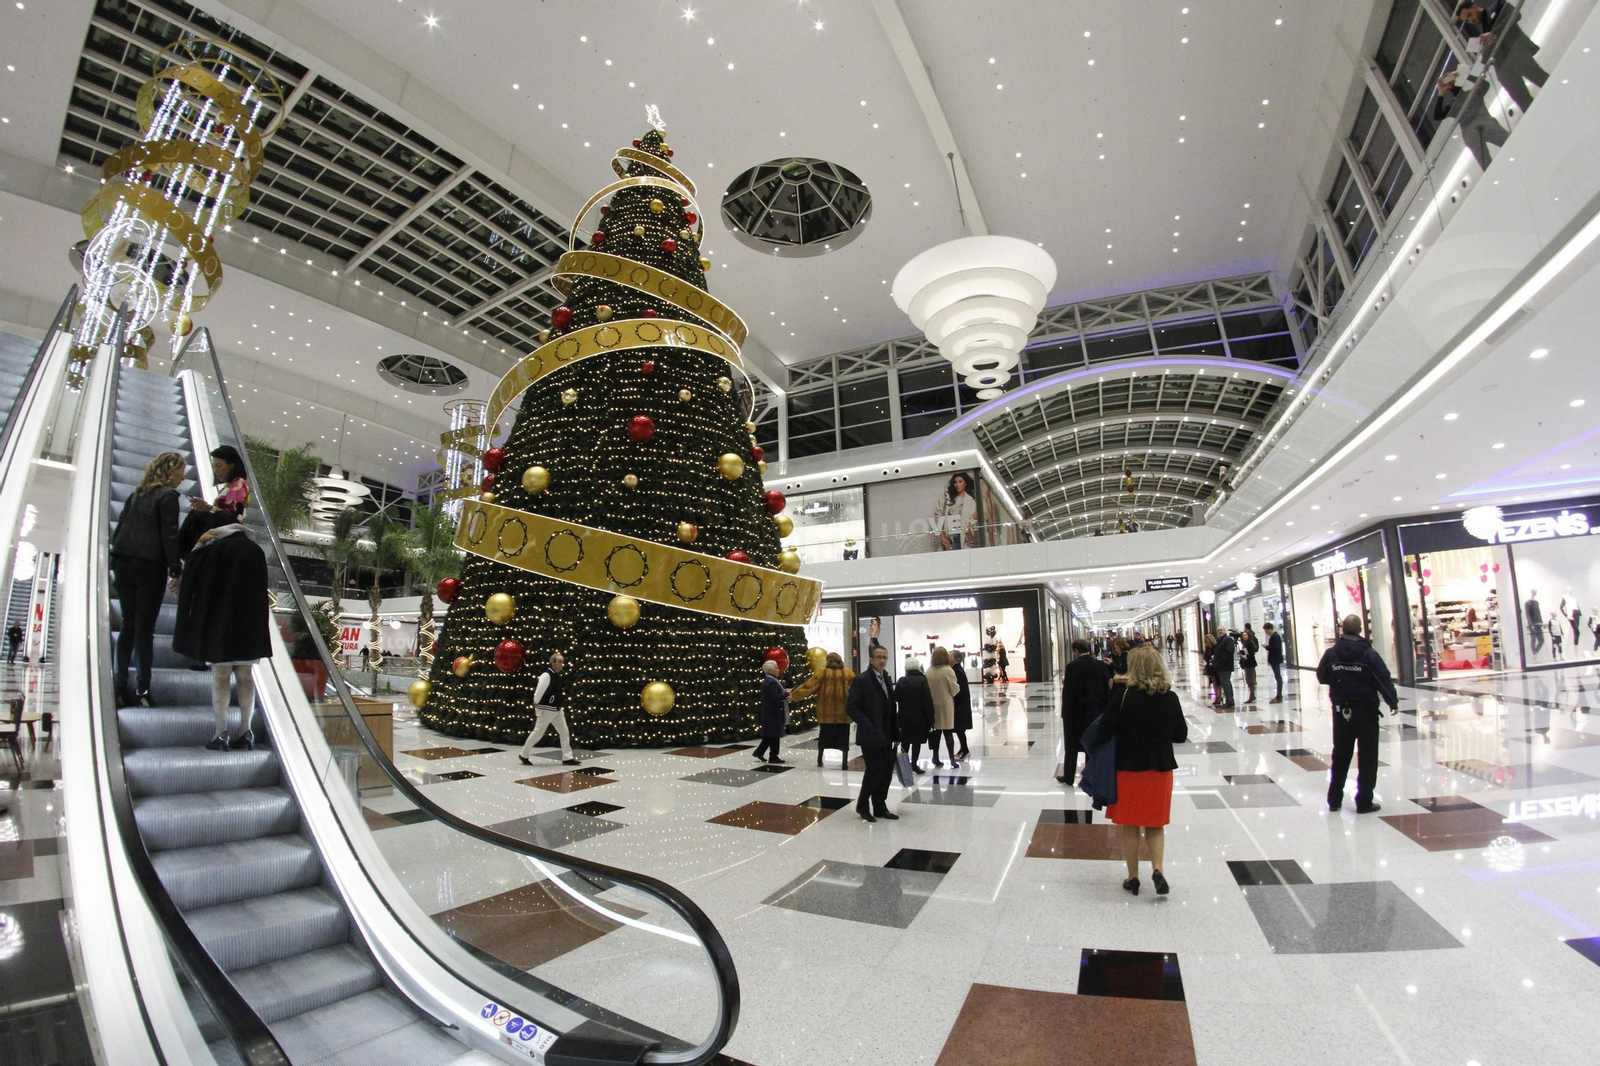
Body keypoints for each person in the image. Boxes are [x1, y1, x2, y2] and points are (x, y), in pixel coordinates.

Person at [1090, 646, 1187, 897]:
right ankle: (1157, 868)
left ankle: (1133, 877)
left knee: (1130, 826)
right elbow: (1181, 735)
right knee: (1155, 825)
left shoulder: (1123, 697)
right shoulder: (1170, 698)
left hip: (1128, 768)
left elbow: (1105, 730)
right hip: (1160, 768)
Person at [172, 517, 271, 750]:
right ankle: (246, 731)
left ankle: (221, 733)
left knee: (221, 676)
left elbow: (192, 568)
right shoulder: (256, 551)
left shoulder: (215, 548)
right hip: (250, 626)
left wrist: (199, 543)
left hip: (220, 625)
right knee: (245, 676)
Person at [110, 451, 186, 707]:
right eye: (180, 473)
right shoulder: (168, 497)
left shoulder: (136, 494)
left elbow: (119, 529)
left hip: (123, 564)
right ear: (170, 472)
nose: (182, 478)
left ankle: (119, 686)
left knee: (128, 626)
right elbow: (169, 536)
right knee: (145, 630)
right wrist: (175, 570)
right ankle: (143, 689)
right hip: (150, 567)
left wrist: (114, 565)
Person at [1316, 615, 1400, 814]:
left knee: (1341, 755)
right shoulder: (1369, 654)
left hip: (1341, 711)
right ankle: (1364, 801)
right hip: (1366, 711)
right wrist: (1392, 701)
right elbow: (1383, 678)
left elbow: (1322, 676)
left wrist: (1340, 681)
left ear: (1343, 629)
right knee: (1368, 757)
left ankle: (1334, 800)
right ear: (1361, 629)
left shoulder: (1331, 654)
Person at [1458, 1, 1546, 113]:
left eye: (1470, 15)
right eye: (1467, 20)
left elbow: (1515, 15)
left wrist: (1493, 33)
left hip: (1516, 54)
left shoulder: (1498, 6)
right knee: (1523, 102)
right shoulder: (1481, 30)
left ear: (1475, 6)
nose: (1471, 20)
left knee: (1540, 79)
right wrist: (1484, 49)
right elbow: (1488, 55)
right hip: (1503, 68)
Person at [845, 644, 899, 822]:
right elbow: (851, 707)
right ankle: (862, 804)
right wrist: (867, 724)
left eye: (885, 657)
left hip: (887, 734)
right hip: (870, 734)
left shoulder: (887, 678)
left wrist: (896, 734)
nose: (882, 660)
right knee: (875, 770)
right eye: (879, 657)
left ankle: (879, 805)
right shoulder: (862, 680)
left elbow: (891, 707)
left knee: (885, 771)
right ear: (871, 659)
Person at [1058, 639, 1111, 786]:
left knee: (1071, 746)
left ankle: (1068, 777)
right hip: (1094, 712)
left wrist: (1065, 713)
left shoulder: (1072, 667)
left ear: (1076, 651)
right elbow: (1106, 689)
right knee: (1091, 744)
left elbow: (1068, 693)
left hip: (1074, 714)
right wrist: (1105, 710)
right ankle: (1089, 776)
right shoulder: (1100, 666)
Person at [788, 652, 855, 767]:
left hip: (826, 713)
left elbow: (808, 687)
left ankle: (820, 759)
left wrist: (794, 695)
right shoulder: (848, 673)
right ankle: (844, 762)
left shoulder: (822, 673)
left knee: (824, 738)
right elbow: (856, 690)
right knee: (843, 738)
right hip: (843, 714)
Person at [517, 652, 581, 766]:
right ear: (552, 663)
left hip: (556, 709)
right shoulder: (546, 675)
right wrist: (536, 703)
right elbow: (539, 690)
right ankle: (524, 754)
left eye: (562, 662)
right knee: (538, 733)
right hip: (547, 709)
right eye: (560, 662)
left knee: (564, 732)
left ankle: (567, 757)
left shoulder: (555, 675)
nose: (562, 664)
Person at [893, 658, 933, 773]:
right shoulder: (922, 681)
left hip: (904, 716)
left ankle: (904, 766)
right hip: (919, 717)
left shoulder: (902, 681)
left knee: (905, 741)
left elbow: (895, 697)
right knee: (917, 742)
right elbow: (927, 701)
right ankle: (914, 764)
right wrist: (930, 718)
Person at [925, 646, 962, 768]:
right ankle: (952, 759)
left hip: (932, 705)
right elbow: (955, 689)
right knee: (948, 733)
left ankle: (935, 756)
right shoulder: (948, 670)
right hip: (946, 705)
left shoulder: (929, 670)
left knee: (936, 733)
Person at [754, 659, 790, 764]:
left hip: (771, 712)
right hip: (773, 713)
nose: (778, 670)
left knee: (770, 735)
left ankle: (759, 752)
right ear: (770, 670)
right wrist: (786, 693)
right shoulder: (770, 682)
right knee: (774, 735)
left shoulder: (770, 680)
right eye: (776, 668)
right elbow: (776, 697)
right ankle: (773, 756)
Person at [934, 472, 978, 550]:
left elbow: (970, 522)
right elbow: (938, 514)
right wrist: (941, 534)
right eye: (955, 482)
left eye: (960, 482)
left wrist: (970, 525)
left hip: (962, 536)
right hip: (948, 534)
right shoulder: (946, 497)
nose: (957, 485)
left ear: (965, 483)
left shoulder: (970, 501)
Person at [951, 654, 974, 758]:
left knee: (959, 727)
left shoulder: (957, 671)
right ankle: (963, 748)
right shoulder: (957, 669)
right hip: (961, 703)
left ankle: (965, 750)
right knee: (959, 728)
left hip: (960, 704)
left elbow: (958, 689)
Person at [1211, 627, 1237, 708]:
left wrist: (1220, 660)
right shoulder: (1219, 640)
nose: (1220, 632)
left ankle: (1230, 700)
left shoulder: (1228, 640)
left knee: (1226, 683)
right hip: (1220, 666)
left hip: (1225, 666)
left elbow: (1229, 651)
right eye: (1219, 631)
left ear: (1224, 631)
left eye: (1221, 630)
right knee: (1224, 683)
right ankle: (1229, 700)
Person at [1264, 622, 1285, 703]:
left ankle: (1279, 696)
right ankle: (1278, 695)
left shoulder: (1275, 637)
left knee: (1278, 677)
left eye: (1266, 630)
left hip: (1275, 660)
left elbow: (1276, 649)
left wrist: (1267, 647)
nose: (1266, 632)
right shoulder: (1274, 636)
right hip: (1274, 660)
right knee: (1277, 676)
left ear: (1269, 629)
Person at [1240, 624, 1260, 704]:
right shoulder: (1245, 644)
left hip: (1250, 663)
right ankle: (1252, 695)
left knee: (1250, 680)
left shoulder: (1250, 643)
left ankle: (1251, 696)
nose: (1244, 636)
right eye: (1243, 635)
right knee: (1249, 680)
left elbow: (1250, 654)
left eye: (1245, 635)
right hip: (1247, 663)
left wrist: (1244, 656)